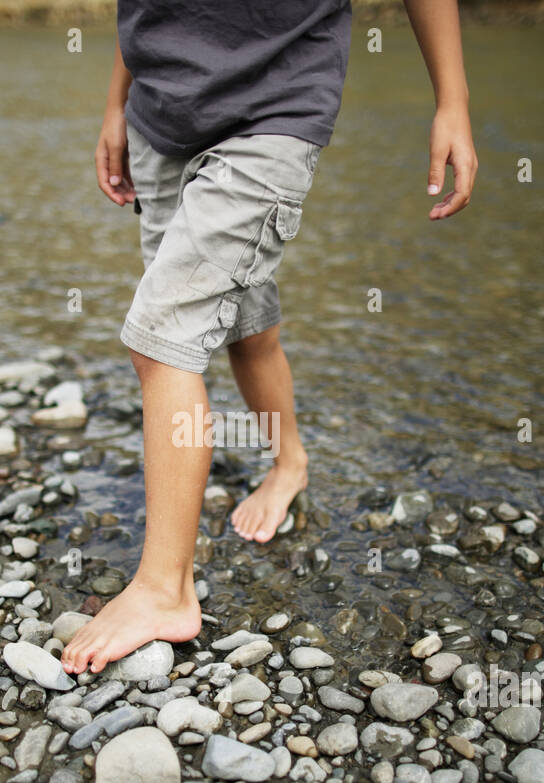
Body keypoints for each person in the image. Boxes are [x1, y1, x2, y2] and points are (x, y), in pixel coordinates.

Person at [61, 0, 478, 675]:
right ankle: (290, 462)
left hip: (273, 113)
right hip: (160, 117)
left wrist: (452, 100)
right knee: (242, 324)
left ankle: (166, 590)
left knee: (161, 336)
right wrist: (118, 101)